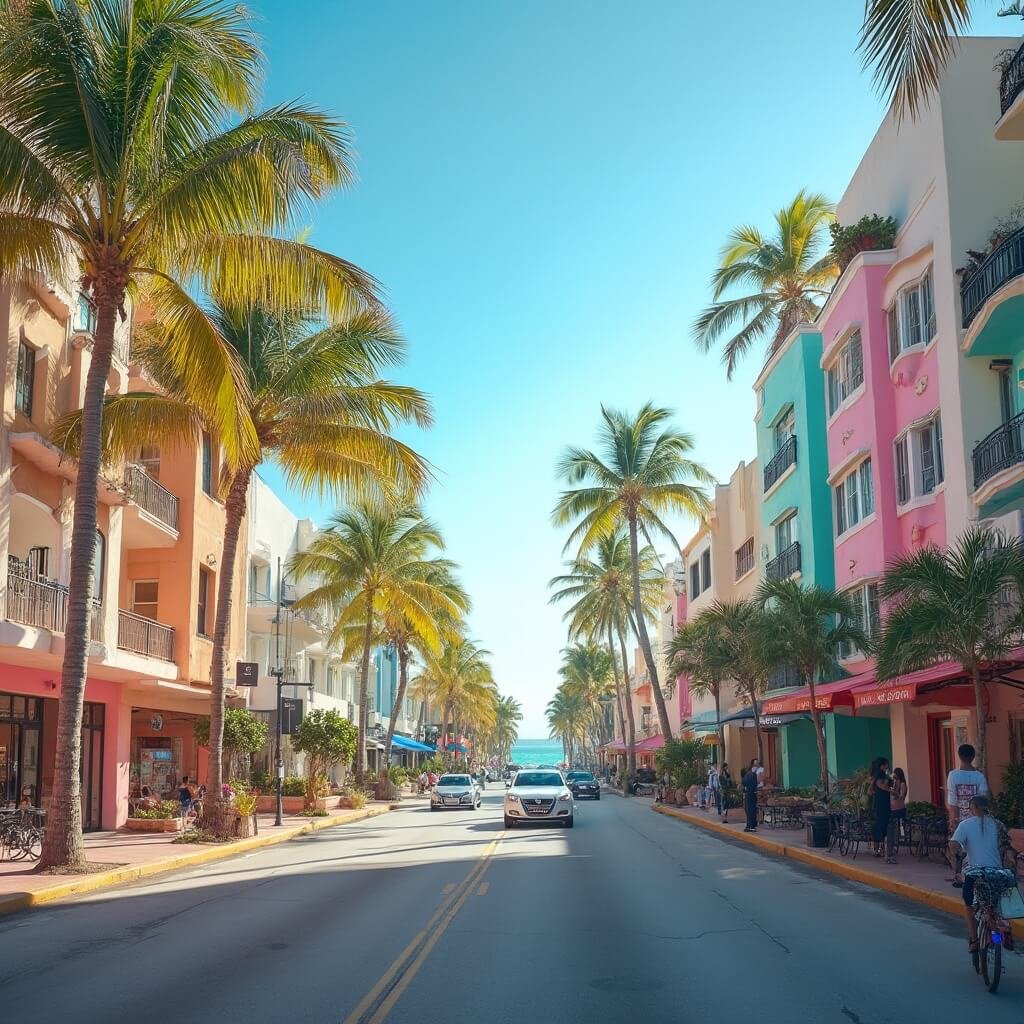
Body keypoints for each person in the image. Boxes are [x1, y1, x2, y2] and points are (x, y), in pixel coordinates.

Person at [949, 794, 1015, 953]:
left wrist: (955, 856)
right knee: (1000, 903)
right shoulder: (999, 825)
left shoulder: (965, 825)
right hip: (997, 874)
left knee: (969, 905)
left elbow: (954, 846)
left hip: (975, 874)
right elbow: (1007, 850)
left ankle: (973, 940)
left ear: (974, 808)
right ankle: (1000, 934)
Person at [946, 743, 989, 831]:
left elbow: (952, 802)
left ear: (959, 756)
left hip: (959, 822)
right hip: (977, 822)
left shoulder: (953, 775)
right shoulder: (980, 776)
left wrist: (953, 821)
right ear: (973, 756)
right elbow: (983, 800)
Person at [869, 757, 892, 861]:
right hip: (881, 803)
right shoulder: (880, 776)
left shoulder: (880, 775)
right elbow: (882, 786)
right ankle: (879, 848)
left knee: (881, 824)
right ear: (882, 765)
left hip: (881, 802)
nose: (887, 766)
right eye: (886, 764)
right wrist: (893, 791)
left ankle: (879, 848)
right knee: (881, 824)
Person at [888, 767, 908, 858]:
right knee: (893, 827)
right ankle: (894, 844)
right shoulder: (895, 783)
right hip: (893, 808)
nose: (894, 775)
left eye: (895, 774)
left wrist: (894, 793)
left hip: (899, 808)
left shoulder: (903, 784)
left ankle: (897, 843)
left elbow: (902, 797)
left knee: (896, 826)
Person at [742, 758, 760, 832]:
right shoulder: (752, 775)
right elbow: (754, 785)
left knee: (749, 810)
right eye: (755, 765)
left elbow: (744, 783)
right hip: (751, 794)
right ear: (753, 766)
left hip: (749, 794)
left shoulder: (748, 774)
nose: (757, 767)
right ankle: (751, 826)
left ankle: (750, 826)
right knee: (751, 810)